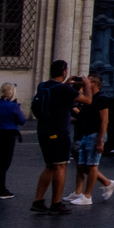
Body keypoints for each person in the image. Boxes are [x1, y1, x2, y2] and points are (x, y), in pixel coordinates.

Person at [30, 60, 76, 214]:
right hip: (59, 131)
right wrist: (88, 86)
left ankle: (38, 200)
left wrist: (67, 85)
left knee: (49, 166)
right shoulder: (64, 90)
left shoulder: (42, 86)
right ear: (64, 71)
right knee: (61, 166)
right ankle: (56, 204)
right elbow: (87, 100)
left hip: (43, 130)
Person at [68, 75, 114, 205]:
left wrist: (100, 140)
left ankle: (87, 196)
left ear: (94, 84)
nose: (84, 83)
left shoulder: (101, 99)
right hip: (86, 134)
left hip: (95, 135)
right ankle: (107, 183)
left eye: (87, 81)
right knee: (82, 166)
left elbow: (104, 120)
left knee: (92, 166)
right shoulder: (89, 98)